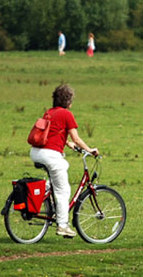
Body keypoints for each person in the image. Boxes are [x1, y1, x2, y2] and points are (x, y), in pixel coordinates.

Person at [29, 84, 98, 238]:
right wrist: (90, 150)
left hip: (36, 152)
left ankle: (46, 194)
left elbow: (52, 132)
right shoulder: (67, 114)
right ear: (68, 101)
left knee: (56, 181)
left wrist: (67, 143)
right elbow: (77, 138)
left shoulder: (50, 112)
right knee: (63, 190)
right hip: (49, 155)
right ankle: (62, 226)